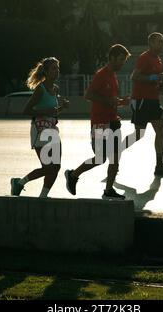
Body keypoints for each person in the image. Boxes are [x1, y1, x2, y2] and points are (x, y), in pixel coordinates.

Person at [65, 44, 131, 200]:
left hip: (114, 122)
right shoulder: (101, 74)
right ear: (112, 58)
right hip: (100, 123)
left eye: (124, 61)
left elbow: (111, 101)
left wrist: (122, 102)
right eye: (120, 60)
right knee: (100, 158)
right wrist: (109, 100)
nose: (122, 64)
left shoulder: (113, 76)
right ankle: (73, 175)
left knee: (115, 159)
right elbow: (88, 95)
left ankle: (108, 189)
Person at [10, 57, 69, 198]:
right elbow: (26, 111)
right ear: (46, 71)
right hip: (40, 130)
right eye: (53, 68)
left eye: (58, 69)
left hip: (52, 130)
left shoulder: (55, 89)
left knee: (56, 167)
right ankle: (19, 183)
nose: (57, 71)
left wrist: (62, 108)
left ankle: (43, 196)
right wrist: (45, 112)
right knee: (48, 167)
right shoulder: (40, 89)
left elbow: (52, 112)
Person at [124, 32, 163, 177]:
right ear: (151, 43)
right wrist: (153, 77)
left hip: (153, 100)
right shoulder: (144, 57)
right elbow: (134, 77)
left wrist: (160, 83)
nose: (162, 43)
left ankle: (159, 165)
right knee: (139, 134)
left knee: (160, 129)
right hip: (141, 100)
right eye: (159, 41)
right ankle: (116, 152)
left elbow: (153, 80)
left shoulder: (158, 60)